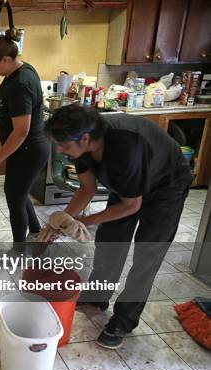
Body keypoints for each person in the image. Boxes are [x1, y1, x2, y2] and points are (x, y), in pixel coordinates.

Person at [44, 105, 192, 349]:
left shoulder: (126, 148)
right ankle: (97, 296)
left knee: (147, 253)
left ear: (85, 139)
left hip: (166, 187)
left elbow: (131, 205)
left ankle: (124, 320)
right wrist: (62, 221)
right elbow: (86, 189)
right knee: (110, 242)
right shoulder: (82, 147)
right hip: (126, 185)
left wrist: (82, 222)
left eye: (63, 145)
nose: (60, 150)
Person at [0, 33, 49, 249]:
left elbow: (21, 131)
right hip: (25, 149)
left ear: (6, 60)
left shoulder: (21, 82)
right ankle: (36, 230)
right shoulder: (19, 72)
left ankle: (19, 248)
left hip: (28, 148)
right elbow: (9, 98)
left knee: (14, 197)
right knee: (19, 191)